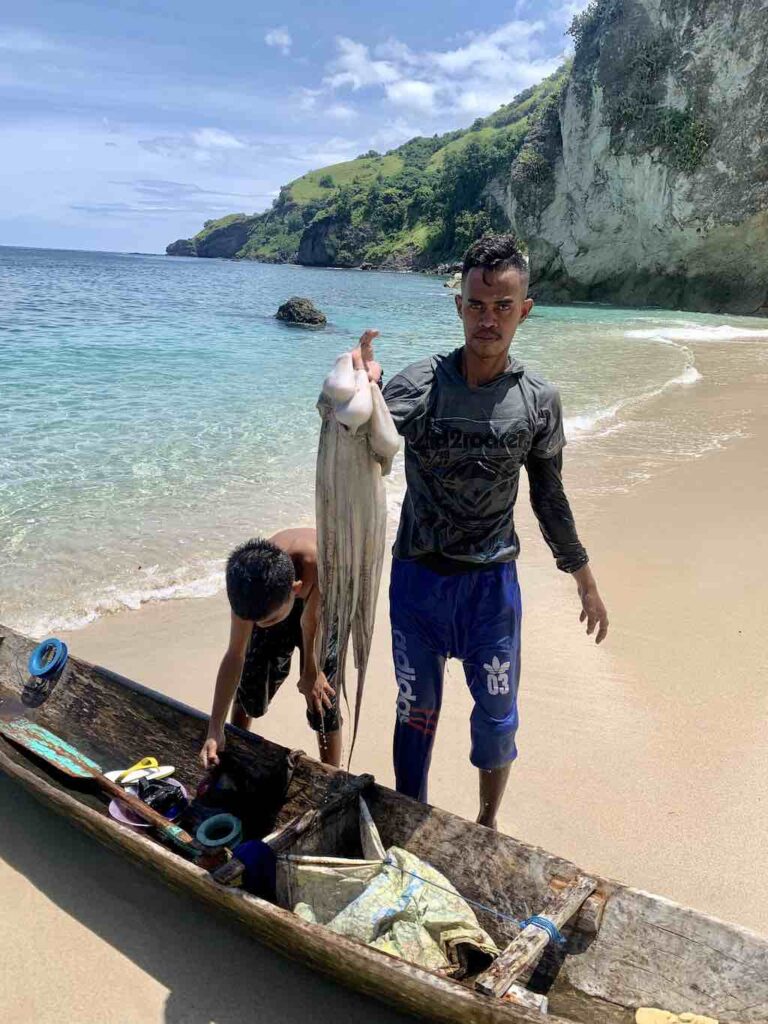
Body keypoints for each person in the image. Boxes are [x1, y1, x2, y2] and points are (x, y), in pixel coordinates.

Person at [354, 233, 609, 828]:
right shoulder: (419, 385)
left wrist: (584, 578)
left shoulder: (538, 400)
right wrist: (363, 383)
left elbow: (549, 497)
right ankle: (406, 819)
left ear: (525, 308)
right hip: (418, 580)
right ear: (459, 306)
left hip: (490, 589)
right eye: (476, 305)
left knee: (497, 721)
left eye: (502, 306)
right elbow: (360, 438)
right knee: (415, 710)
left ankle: (487, 825)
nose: (487, 319)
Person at [199, 529, 341, 769]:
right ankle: (233, 748)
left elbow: (311, 622)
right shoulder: (246, 588)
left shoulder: (322, 566)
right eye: (255, 623)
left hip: (323, 599)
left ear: (296, 589)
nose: (258, 627)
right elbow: (235, 655)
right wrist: (215, 728)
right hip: (274, 600)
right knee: (250, 682)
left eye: (265, 622)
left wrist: (312, 670)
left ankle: (333, 773)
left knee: (321, 698)